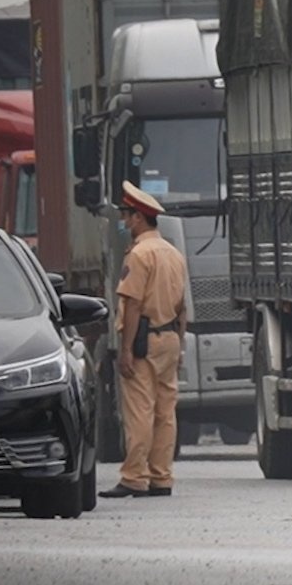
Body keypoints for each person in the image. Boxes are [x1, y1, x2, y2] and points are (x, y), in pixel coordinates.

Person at [101, 182, 188, 499]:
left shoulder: (139, 255)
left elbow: (133, 304)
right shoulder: (173, 253)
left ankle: (134, 477)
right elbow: (182, 306)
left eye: (126, 216)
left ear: (139, 217)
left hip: (143, 340)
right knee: (166, 412)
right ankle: (161, 477)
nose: (124, 222)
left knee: (139, 410)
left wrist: (125, 350)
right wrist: (179, 345)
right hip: (169, 337)